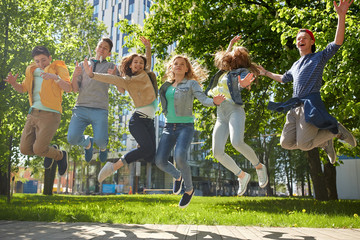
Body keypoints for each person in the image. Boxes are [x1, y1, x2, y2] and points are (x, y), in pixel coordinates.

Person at [259, 0, 356, 164]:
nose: (300, 41)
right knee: (286, 143)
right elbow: (283, 78)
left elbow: (337, 42)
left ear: (312, 42)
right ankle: (324, 141)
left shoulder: (318, 57)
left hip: (309, 104)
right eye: (297, 39)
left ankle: (335, 130)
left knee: (304, 145)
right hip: (294, 106)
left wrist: (341, 16)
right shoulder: (295, 65)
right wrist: (265, 73)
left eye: (304, 38)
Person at [83, 37, 158, 183]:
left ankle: (139, 147)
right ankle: (113, 166)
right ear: (130, 66)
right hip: (138, 121)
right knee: (147, 149)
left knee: (150, 156)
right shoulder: (126, 81)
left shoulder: (145, 74)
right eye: (135, 62)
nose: (139, 64)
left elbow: (148, 60)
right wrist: (92, 74)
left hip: (149, 121)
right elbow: (109, 79)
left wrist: (148, 48)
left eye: (141, 63)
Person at [155, 55, 225, 208]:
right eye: (176, 64)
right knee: (159, 161)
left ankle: (189, 190)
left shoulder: (192, 84)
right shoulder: (166, 86)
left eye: (182, 64)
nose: (178, 66)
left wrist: (214, 101)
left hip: (185, 126)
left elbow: (203, 99)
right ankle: (177, 176)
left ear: (187, 69)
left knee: (180, 156)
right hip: (168, 126)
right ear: (171, 67)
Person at [205, 36, 268, 196]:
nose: (230, 54)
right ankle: (242, 175)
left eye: (234, 53)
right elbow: (221, 60)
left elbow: (240, 83)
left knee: (237, 142)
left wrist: (243, 85)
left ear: (239, 59)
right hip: (221, 114)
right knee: (217, 152)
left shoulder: (241, 72)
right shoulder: (223, 72)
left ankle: (259, 167)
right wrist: (230, 44)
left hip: (234, 110)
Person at [3, 46, 71, 176]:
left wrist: (54, 77)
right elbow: (23, 88)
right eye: (37, 61)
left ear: (50, 58)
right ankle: (51, 151)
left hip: (50, 114)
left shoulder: (58, 68)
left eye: (44, 60)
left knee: (39, 149)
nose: (41, 64)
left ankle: (60, 156)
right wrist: (13, 83)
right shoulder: (31, 70)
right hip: (33, 113)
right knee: (24, 149)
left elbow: (68, 88)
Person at [67, 37, 119, 163]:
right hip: (81, 108)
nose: (101, 50)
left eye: (105, 48)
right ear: (96, 48)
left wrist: (114, 77)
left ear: (109, 53)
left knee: (101, 140)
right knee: (72, 138)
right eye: (100, 46)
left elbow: (121, 87)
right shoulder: (82, 65)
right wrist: (74, 75)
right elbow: (75, 89)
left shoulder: (111, 66)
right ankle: (87, 143)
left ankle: (102, 147)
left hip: (100, 109)